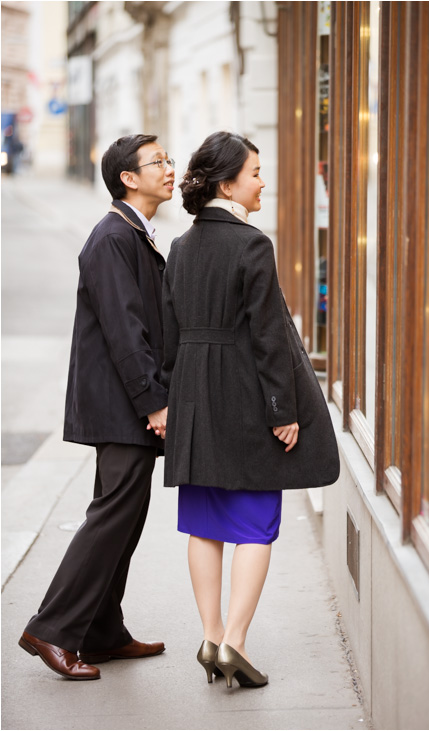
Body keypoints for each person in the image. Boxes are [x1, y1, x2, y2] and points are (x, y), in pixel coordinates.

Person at [162, 131, 339, 689]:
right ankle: (236, 643)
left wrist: (177, 398)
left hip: (194, 398)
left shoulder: (181, 246)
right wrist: (282, 409)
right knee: (256, 526)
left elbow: (169, 334)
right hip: (241, 395)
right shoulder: (251, 244)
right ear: (227, 182)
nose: (263, 182)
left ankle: (211, 636)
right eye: (256, 172)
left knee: (204, 526)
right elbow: (268, 337)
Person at [19, 134, 174, 680]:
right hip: (122, 404)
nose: (169, 168)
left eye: (168, 159)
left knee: (123, 519)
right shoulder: (112, 238)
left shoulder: (135, 232)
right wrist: (154, 401)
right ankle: (51, 629)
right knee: (111, 517)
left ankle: (103, 631)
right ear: (129, 178)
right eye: (158, 162)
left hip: (124, 401)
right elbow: (125, 331)